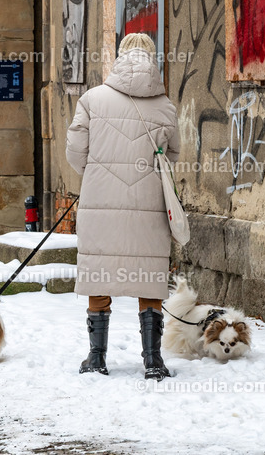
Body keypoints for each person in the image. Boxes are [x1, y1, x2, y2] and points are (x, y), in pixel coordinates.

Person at [66, 32, 179, 381]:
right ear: (152, 59)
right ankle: (153, 360)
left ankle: (97, 357)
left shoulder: (92, 99)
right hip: (149, 205)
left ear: (120, 58)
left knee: (99, 272)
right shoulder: (165, 106)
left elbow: (75, 153)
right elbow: (173, 156)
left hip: (100, 202)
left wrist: (101, 173)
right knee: (150, 277)